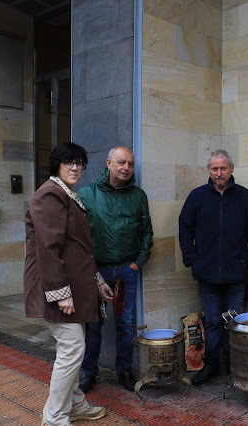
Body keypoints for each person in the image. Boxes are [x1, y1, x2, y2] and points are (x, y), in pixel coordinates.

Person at [24, 142, 109, 426]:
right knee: (72, 350)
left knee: (73, 350)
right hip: (58, 289)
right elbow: (48, 248)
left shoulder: (65, 194)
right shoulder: (50, 194)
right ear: (56, 166)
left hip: (73, 287)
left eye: (79, 163)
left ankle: (75, 405)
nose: (75, 168)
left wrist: (98, 282)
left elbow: (78, 249)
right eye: (68, 162)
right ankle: (55, 418)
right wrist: (60, 294)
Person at [178, 149, 248, 385]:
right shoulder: (197, 197)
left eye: (223, 168)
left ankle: (233, 365)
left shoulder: (244, 197)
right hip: (207, 275)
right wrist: (192, 261)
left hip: (237, 275)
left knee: (235, 322)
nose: (219, 173)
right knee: (214, 322)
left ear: (231, 169)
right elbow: (184, 231)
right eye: (214, 169)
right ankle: (212, 366)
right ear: (209, 170)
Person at [77, 146, 154, 393]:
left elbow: (147, 233)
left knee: (126, 324)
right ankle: (89, 371)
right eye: (121, 163)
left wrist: (136, 264)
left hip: (126, 271)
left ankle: (123, 370)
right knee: (93, 325)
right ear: (109, 163)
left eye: (130, 164)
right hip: (95, 272)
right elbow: (78, 237)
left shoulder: (138, 196)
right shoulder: (87, 194)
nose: (126, 168)